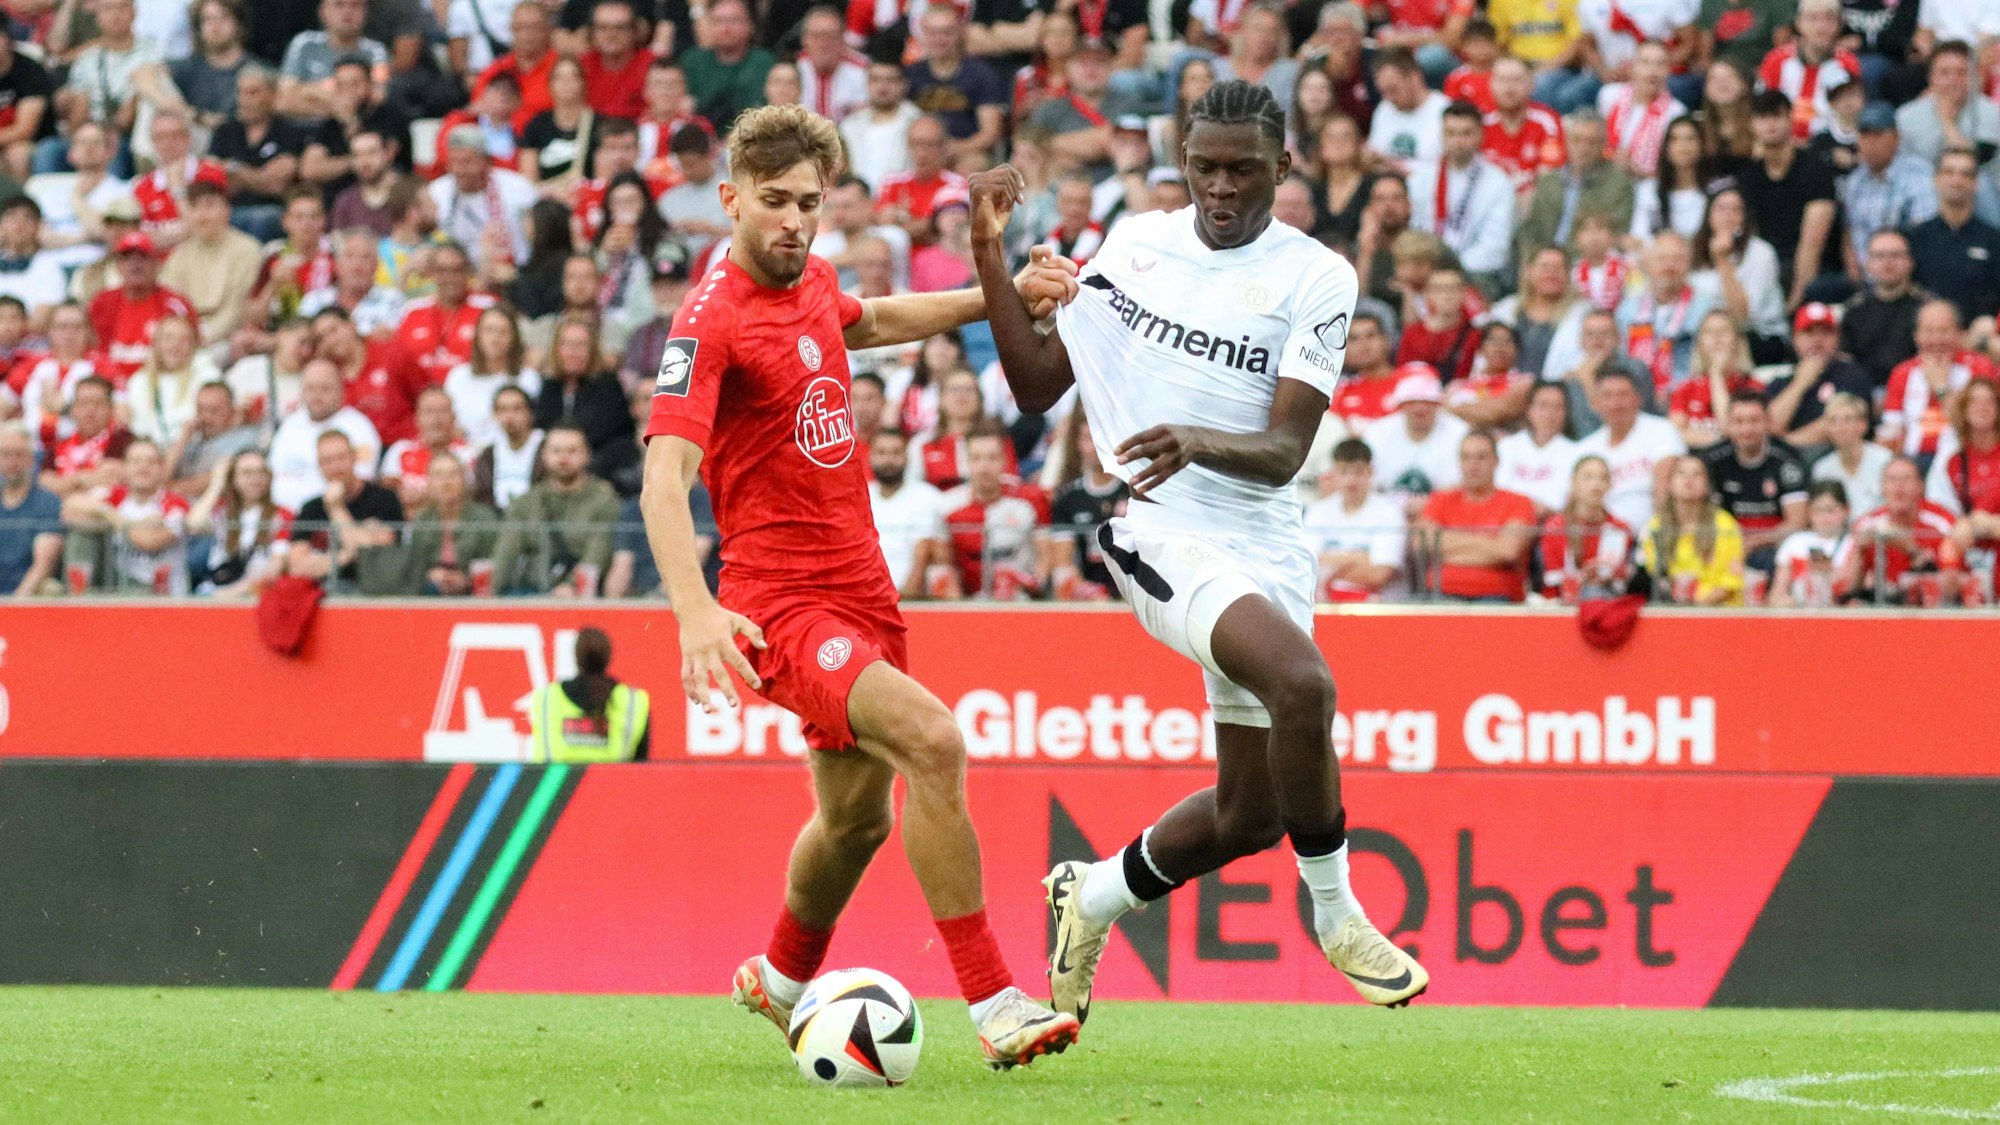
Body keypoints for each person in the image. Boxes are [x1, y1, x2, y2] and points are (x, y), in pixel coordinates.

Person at [969, 79, 1430, 1024]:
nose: (1222, 188)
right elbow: (1032, 383)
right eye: (1205, 167)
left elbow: (1287, 452)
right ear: (1184, 164)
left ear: (1284, 169)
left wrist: (1202, 437)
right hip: (1159, 529)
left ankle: (1088, 897)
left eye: (1244, 170)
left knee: (1251, 817)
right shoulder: (1138, 244)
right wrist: (990, 255)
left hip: (1266, 540)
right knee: (1305, 686)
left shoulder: (1318, 277)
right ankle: (1339, 914)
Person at [639, 103, 1083, 1064]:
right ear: (730, 200)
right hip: (780, 605)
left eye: (811, 201)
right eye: (773, 202)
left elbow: (871, 319)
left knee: (853, 820)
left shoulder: (814, 280)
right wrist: (693, 611)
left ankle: (782, 974)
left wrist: (997, 294)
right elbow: (662, 478)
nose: (795, 220)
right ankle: (997, 1002)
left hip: (863, 590)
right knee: (933, 739)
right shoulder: (709, 322)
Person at [1699, 392, 1810, 594]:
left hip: (1774, 547)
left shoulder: (1788, 459)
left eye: (1754, 421)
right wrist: (1733, 545)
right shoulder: (1713, 460)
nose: (1746, 429)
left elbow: (1797, 523)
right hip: (1726, 546)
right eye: (1738, 421)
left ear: (1768, 422)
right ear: (1728, 425)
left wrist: (1752, 543)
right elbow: (1706, 517)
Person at [491, 423, 618, 595]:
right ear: (544, 455)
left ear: (587, 455)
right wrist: (490, 589)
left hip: (582, 595)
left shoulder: (604, 501)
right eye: (556, 451)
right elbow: (506, 551)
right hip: (531, 590)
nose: (563, 458)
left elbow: (598, 553)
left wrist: (572, 586)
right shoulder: (526, 502)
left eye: (572, 451)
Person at [58, 437, 189, 594]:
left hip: (154, 588)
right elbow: (69, 508)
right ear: (125, 468)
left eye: (151, 462)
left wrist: (110, 518)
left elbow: (149, 542)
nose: (143, 467)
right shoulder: (117, 495)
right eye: (136, 461)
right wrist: (110, 514)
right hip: (118, 580)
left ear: (161, 469)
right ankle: (77, 595)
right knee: (81, 533)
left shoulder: (174, 503)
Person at [1406, 101, 1516, 289]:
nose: (1458, 141)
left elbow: (1495, 249)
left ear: (1480, 135)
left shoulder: (1498, 183)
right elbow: (1411, 228)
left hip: (1474, 276)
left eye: (1466, 133)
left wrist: (1447, 272)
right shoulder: (1421, 178)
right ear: (1442, 135)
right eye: (1451, 133)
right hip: (1423, 271)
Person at [1417, 430, 1538, 601]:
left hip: (1497, 595)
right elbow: (1422, 545)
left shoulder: (1519, 502)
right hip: (1440, 592)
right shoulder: (1440, 500)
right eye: (1466, 457)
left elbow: (1508, 551)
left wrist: (1447, 547)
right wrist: (1489, 544)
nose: (1473, 465)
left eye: (1481, 457)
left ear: (1496, 462)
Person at [1514, 110, 1635, 269]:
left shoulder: (1618, 184)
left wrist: (1561, 263)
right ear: (1566, 141)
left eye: (1591, 142)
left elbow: (1612, 235)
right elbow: (1532, 231)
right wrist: (1532, 261)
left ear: (1603, 145)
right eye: (1576, 140)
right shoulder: (1548, 181)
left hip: (1586, 266)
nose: (1583, 148)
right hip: (1542, 265)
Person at [1838, 455, 1963, 605]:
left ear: (1920, 486)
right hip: (1884, 608)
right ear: (1882, 488)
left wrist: (1912, 550)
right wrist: (1859, 553)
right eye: (1892, 480)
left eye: (1906, 479)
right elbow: (1843, 591)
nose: (1899, 487)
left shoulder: (1943, 523)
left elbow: (1953, 588)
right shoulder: (1866, 525)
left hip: (1932, 610)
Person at [286, 429, 404, 587]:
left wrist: (336, 508)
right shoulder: (311, 508)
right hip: (323, 594)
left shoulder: (383, 499)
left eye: (341, 458)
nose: (335, 467)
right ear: (319, 466)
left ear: (354, 457)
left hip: (374, 591)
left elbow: (373, 554)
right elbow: (297, 567)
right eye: (327, 461)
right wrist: (345, 555)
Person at [1882, 299, 1991, 464]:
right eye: (1929, 331)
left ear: (1959, 333)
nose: (1936, 340)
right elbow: (1892, 430)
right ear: (1916, 336)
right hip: (1913, 461)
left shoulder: (1979, 368)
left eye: (1943, 331)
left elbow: (1982, 426)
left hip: (1965, 459)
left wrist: (1941, 387)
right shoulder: (1902, 373)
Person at [1576, 368, 1686, 529]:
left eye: (1622, 395)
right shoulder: (1586, 447)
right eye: (1607, 396)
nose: (1615, 404)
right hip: (1597, 534)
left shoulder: (1662, 430)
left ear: (1637, 399)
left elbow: (1665, 492)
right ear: (1596, 403)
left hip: (1648, 535)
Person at [159, 181, 263, 349]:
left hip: (226, 338)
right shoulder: (180, 254)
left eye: (209, 206)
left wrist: (201, 339)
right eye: (195, 207)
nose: (202, 215)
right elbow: (170, 303)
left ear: (226, 210)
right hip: (184, 336)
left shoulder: (247, 250)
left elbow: (236, 309)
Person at [267, 360, 382, 512]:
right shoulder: (290, 424)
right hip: (279, 518)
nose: (317, 395)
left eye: (325, 388)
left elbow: (360, 481)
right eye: (310, 388)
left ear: (341, 391)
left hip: (328, 518)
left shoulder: (358, 427)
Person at [88, 233, 199, 388]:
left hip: (161, 387)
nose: (135, 264)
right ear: (118, 265)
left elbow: (193, 351)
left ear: (157, 263)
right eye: (127, 258)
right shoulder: (102, 303)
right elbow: (93, 352)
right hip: (112, 388)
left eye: (143, 257)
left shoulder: (175, 304)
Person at [524, 626, 652, 760]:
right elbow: (641, 766)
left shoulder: (546, 698)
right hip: (614, 781)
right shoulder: (634, 701)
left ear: (576, 657)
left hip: (558, 781)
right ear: (608, 658)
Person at [1302, 437, 1405, 602]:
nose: (1351, 480)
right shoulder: (1318, 512)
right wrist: (1360, 558)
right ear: (1333, 472)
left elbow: (1379, 574)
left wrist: (1327, 564)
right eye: (1343, 472)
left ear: (1370, 471)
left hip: (1377, 606)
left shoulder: (1388, 513)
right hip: (1324, 602)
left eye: (1358, 472)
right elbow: (1306, 568)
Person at [1905, 148, 2000, 323]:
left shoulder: (1994, 241)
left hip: (1979, 338)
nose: (1957, 181)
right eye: (1949, 172)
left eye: (1966, 174)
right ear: (1936, 179)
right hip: (1928, 338)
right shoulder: (1915, 238)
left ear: (1976, 183)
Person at [1840, 105, 1938, 274]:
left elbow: (1926, 239)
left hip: (1905, 277)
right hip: (1863, 277)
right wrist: (1853, 266)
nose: (1870, 143)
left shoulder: (1918, 176)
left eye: (1878, 135)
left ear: (1896, 138)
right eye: (1864, 135)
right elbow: (1850, 229)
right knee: (1818, 290)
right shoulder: (1855, 180)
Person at [1765, 303, 1877, 450]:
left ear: (1837, 338)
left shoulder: (1852, 375)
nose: (1817, 341)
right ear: (1795, 339)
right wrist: (1800, 384)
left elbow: (1838, 425)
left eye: (1826, 333)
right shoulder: (1780, 382)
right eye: (1809, 333)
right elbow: (1769, 426)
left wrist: (1786, 446)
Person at [1617, 232, 1717, 397]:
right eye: (1662, 259)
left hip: (1688, 397)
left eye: (1677, 259)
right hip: (1635, 399)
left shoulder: (1705, 309)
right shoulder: (1628, 309)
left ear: (1688, 265)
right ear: (1647, 264)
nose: (1669, 266)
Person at [904, 5, 1007, 161]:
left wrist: (956, 148)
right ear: (923, 34)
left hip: (965, 151)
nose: (940, 39)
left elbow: (991, 132)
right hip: (919, 152)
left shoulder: (981, 74)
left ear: (960, 32)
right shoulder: (910, 74)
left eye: (947, 32)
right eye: (933, 32)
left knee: (974, 165)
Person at [428, 126, 537, 272]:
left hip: (512, 273)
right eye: (454, 162)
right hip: (456, 275)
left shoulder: (517, 188)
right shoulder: (436, 192)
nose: (458, 170)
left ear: (486, 161)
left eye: (466, 162)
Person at [1364, 364, 1472, 511]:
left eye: (1427, 401)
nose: (1420, 408)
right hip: (1385, 512)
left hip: (1445, 512)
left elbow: (1466, 485)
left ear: (1438, 404)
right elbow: (1367, 483)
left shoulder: (1461, 433)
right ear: (1400, 405)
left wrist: (1430, 505)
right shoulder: (1377, 433)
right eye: (1412, 402)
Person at [392, 450, 500, 596]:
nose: (446, 481)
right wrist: (430, 574)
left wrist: (467, 578)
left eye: (452, 474)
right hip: (431, 589)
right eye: (438, 475)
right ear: (429, 482)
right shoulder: (422, 519)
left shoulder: (484, 517)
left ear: (463, 479)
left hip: (475, 590)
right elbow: (413, 564)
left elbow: (493, 561)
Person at [186, 448, 291, 596]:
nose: (256, 479)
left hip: (255, 595)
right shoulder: (221, 511)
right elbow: (193, 524)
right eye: (247, 473)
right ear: (233, 479)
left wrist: (230, 594)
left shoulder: (282, 515)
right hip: (215, 589)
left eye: (261, 472)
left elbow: (277, 565)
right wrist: (217, 483)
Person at [1643, 454, 1746, 605]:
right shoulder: (1656, 526)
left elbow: (1731, 580)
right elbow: (1654, 575)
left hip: (1719, 610)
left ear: (1707, 485)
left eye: (1697, 474)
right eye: (1681, 473)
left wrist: (1698, 605)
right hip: (1672, 609)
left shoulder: (1725, 525)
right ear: (1670, 484)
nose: (1688, 480)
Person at [866, 427, 951, 599]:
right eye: (881, 453)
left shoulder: (927, 497)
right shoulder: (862, 496)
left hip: (914, 599)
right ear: (870, 457)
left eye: (895, 453)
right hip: (866, 597)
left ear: (907, 457)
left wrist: (903, 600)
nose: (888, 460)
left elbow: (927, 553)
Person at [1892, 41, 1999, 171]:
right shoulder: (1906, 116)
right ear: (1931, 77)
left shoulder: (1991, 113)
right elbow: (1902, 166)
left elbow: (1974, 165)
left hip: (1977, 185)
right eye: (1944, 73)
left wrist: (1947, 121)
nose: (1953, 81)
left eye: (1962, 73)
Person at [1841, 230, 1927, 389]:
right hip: (1865, 393)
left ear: (1910, 261)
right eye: (1879, 256)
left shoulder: (1927, 309)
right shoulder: (1854, 309)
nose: (1888, 263)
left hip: (1914, 389)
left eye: (1895, 255)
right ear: (1868, 264)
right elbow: (1846, 362)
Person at [1539, 454, 1633, 601]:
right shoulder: (1556, 527)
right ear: (1574, 482)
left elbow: (1618, 581)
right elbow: (1553, 579)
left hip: (1605, 599)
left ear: (1610, 484)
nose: (1596, 485)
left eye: (1603, 478)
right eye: (1588, 477)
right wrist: (1583, 577)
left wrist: (1615, 574)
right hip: (1561, 603)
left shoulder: (1619, 528)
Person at [1498, 381, 1580, 515]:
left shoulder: (1576, 452)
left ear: (1566, 412)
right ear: (1529, 410)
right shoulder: (1506, 446)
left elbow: (1562, 504)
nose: (1550, 414)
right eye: (1543, 406)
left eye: (1557, 407)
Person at [1765, 479, 1850, 608]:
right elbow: (1777, 592)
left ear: (1846, 510)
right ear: (1809, 512)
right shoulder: (1795, 542)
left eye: (1830, 510)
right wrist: (1786, 603)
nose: (1825, 518)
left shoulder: (1853, 543)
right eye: (1818, 510)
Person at [0, 423, 62, 596]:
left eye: (19, 454)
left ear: (32, 459)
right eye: (6, 454)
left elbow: (42, 565)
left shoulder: (47, 502)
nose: (13, 462)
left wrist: (13, 608)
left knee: (51, 588)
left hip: (29, 594)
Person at [1931, 377, 2000, 524]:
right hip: (1970, 540)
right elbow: (1940, 507)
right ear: (1964, 409)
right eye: (1974, 402)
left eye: (1989, 401)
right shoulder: (1953, 460)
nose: (1982, 408)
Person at [1367, 47, 1449, 168]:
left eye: (1393, 89)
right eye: (1383, 92)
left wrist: (1394, 166)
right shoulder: (1384, 109)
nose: (1388, 98)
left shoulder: (1444, 110)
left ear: (1415, 77)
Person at [1812, 392, 1892, 516]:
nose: (1840, 427)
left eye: (1848, 419)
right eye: (1833, 421)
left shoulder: (1886, 461)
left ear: (1863, 424)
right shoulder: (1822, 469)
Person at [0, 197, 66, 327]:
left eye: (27, 218)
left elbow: (40, 321)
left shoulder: (49, 266)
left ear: (39, 226)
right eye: (12, 218)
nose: (19, 225)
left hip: (31, 343)